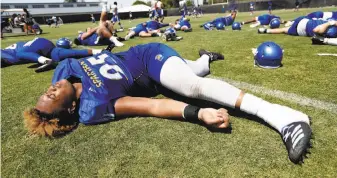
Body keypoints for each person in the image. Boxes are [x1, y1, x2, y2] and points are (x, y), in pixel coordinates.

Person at [24, 43, 312, 164]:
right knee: (191, 76)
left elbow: (75, 52)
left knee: (189, 84)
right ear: (71, 108)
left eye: (45, 92)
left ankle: (285, 117)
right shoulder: (92, 107)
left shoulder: (62, 71)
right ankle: (206, 59)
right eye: (52, 97)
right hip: (153, 81)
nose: (50, 89)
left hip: (147, 56)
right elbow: (151, 107)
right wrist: (199, 114)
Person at [1, 37, 102, 72]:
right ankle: (99, 51)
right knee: (64, 54)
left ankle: (45, 61)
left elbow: (20, 53)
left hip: (38, 44)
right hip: (42, 48)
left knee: (20, 53)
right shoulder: (8, 58)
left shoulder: (5, 54)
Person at [258, 16, 337, 38]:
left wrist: (330, 23)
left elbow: (316, 29)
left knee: (285, 29)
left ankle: (265, 30)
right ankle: (265, 30)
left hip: (303, 24)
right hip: (303, 27)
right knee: (284, 30)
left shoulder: (333, 30)